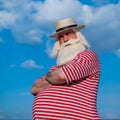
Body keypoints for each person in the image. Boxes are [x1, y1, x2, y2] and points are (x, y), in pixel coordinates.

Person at [31, 18, 101, 120]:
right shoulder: (56, 68)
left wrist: (47, 77)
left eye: (68, 33)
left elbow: (60, 76)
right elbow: (34, 89)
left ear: (78, 35)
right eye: (61, 36)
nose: (65, 39)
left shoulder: (88, 56)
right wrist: (54, 76)